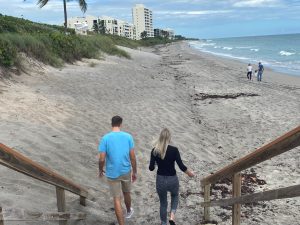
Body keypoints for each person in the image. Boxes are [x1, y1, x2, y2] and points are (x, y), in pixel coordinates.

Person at [149, 128, 195, 225]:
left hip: (160, 179)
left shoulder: (154, 151)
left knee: (163, 203)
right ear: (169, 138)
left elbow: (151, 168)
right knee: (175, 196)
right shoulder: (174, 150)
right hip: (172, 179)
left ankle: (163, 223)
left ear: (160, 137)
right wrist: (190, 173)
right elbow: (181, 166)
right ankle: (172, 216)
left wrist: (157, 163)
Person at [98, 116, 137, 225]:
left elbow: (101, 158)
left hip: (112, 172)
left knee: (116, 198)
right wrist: (135, 171)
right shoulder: (128, 137)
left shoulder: (105, 138)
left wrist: (100, 169)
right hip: (125, 170)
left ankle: (121, 223)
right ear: (120, 124)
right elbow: (133, 157)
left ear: (112, 124)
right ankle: (129, 211)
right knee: (126, 192)